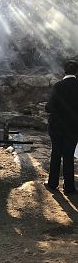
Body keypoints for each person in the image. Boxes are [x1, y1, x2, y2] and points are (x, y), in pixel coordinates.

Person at [44, 60, 78, 195]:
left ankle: (53, 184)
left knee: (56, 154)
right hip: (74, 128)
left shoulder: (58, 86)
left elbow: (50, 107)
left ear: (64, 71)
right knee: (69, 156)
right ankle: (69, 187)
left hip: (57, 127)